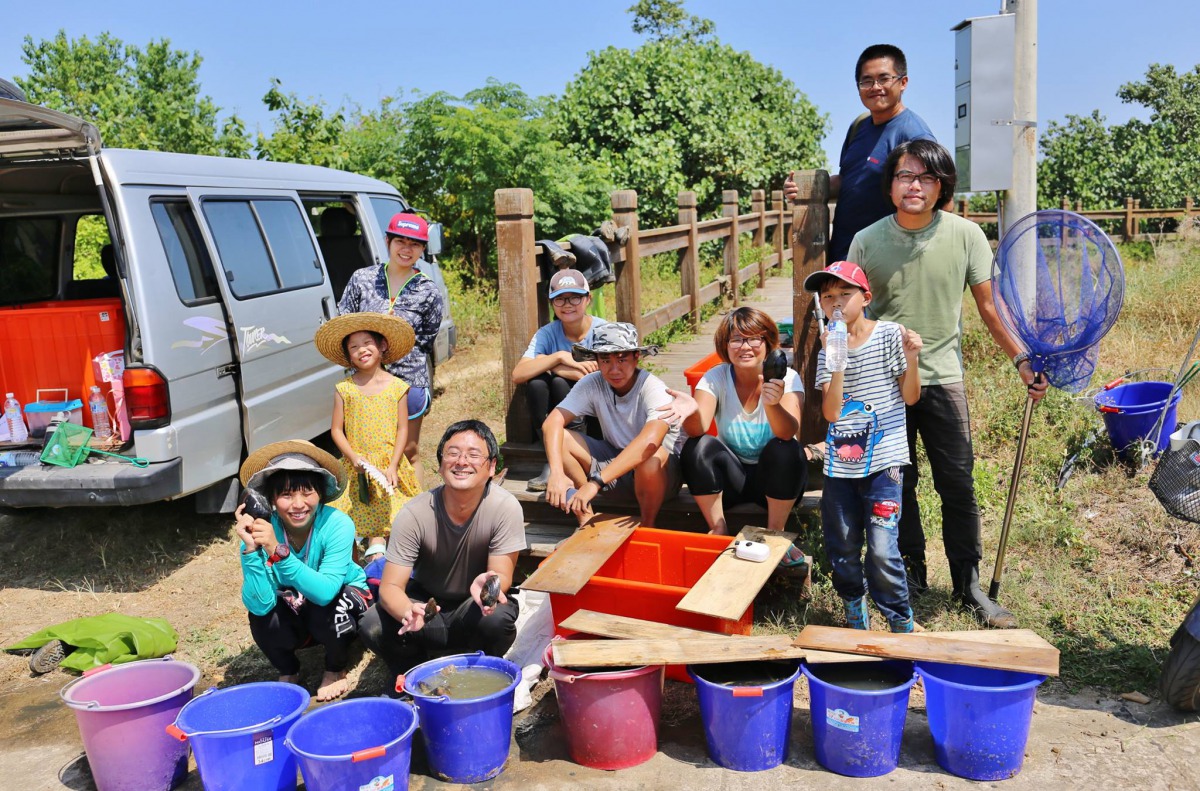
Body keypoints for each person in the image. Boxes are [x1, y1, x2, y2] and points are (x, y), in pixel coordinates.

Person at [847, 139, 1049, 628]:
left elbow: (989, 306)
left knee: (957, 484)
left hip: (943, 378)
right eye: (904, 176)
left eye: (925, 178)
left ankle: (969, 585)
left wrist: (1021, 358)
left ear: (942, 187)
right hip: (885, 384)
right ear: (890, 186)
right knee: (900, 482)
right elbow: (850, 315)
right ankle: (911, 575)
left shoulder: (966, 236)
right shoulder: (867, 241)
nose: (913, 185)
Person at [359, 420, 526, 678]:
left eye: (473, 455)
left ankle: (480, 672)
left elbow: (501, 575)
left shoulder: (505, 507)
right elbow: (390, 587)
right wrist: (408, 611)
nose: (461, 462)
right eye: (452, 453)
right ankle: (411, 674)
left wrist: (488, 586)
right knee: (373, 624)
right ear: (440, 464)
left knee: (497, 618)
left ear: (492, 466)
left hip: (472, 607)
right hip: (427, 605)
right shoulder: (414, 513)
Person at [807, 262, 922, 632]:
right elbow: (832, 411)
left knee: (883, 548)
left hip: (885, 461)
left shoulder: (888, 335)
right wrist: (836, 355)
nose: (836, 303)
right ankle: (856, 613)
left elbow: (910, 396)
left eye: (845, 294)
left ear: (866, 298)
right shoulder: (828, 346)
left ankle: (900, 620)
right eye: (828, 297)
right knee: (841, 544)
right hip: (839, 466)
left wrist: (913, 357)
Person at [657, 307, 808, 567]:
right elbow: (698, 429)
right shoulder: (715, 377)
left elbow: (787, 431)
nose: (745, 346)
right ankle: (719, 529)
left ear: (768, 342)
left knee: (784, 448)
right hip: (733, 480)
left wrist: (772, 403)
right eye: (736, 339)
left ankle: (776, 534)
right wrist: (691, 411)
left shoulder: (787, 377)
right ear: (725, 346)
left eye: (753, 338)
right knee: (698, 446)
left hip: (777, 483)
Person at [234, 440, 370, 701]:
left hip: (340, 600)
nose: (298, 504)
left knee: (326, 606)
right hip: (297, 605)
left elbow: (326, 592)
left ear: (320, 493)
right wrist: (251, 551)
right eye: (286, 495)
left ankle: (335, 667)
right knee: (262, 619)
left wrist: (278, 552)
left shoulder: (337, 523)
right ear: (271, 499)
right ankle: (289, 669)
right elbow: (260, 605)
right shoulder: (261, 530)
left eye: (307, 492)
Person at [785, 44, 934, 263]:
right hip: (846, 259)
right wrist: (803, 188)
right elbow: (849, 181)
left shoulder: (914, 134)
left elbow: (941, 198)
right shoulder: (859, 126)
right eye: (867, 81)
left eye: (884, 79)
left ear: (903, 83)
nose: (875, 87)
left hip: (889, 263)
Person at [338, 212, 445, 485]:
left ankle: (414, 517)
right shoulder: (362, 279)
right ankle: (372, 516)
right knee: (365, 453)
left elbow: (425, 338)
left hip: (408, 382)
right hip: (363, 383)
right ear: (387, 241)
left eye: (415, 244)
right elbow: (343, 323)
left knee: (408, 452)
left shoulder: (428, 290)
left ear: (423, 249)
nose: (406, 249)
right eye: (400, 241)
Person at [543, 322, 683, 527]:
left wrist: (596, 482)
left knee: (652, 456)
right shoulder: (592, 383)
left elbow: (650, 441)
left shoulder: (653, 388)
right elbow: (552, 422)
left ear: (636, 358)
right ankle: (585, 518)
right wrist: (556, 473)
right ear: (597, 361)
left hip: (659, 478)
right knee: (561, 437)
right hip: (614, 466)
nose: (614, 369)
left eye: (622, 359)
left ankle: (648, 524)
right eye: (606, 360)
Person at [315, 312, 422, 561]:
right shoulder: (345, 389)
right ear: (348, 356)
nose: (361, 350)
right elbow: (336, 430)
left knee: (391, 518)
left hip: (387, 465)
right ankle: (353, 570)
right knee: (345, 521)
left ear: (382, 346)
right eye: (354, 347)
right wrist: (352, 457)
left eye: (367, 343)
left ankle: (385, 563)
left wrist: (394, 464)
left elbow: (402, 430)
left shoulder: (398, 387)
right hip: (357, 466)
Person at [510, 269, 608, 491]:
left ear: (588, 299)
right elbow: (518, 374)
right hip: (560, 414)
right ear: (552, 303)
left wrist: (557, 370)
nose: (568, 304)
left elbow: (606, 377)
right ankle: (553, 455)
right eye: (560, 299)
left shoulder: (603, 330)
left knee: (557, 382)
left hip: (597, 415)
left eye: (575, 297)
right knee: (537, 384)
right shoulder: (548, 332)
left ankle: (576, 456)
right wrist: (560, 357)